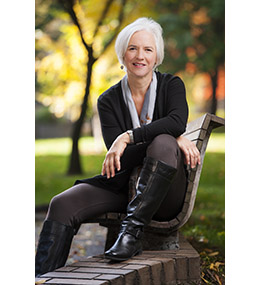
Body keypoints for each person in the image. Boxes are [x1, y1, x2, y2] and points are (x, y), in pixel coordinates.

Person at [35, 17, 201, 276]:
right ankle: (42, 278)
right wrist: (168, 131)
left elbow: (176, 122)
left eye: (148, 49)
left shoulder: (172, 86)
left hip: (166, 192)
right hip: (123, 186)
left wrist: (130, 137)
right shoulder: (108, 100)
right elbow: (122, 161)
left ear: (157, 56)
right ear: (122, 54)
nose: (140, 56)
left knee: (165, 143)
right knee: (61, 204)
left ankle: (130, 233)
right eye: (133, 48)